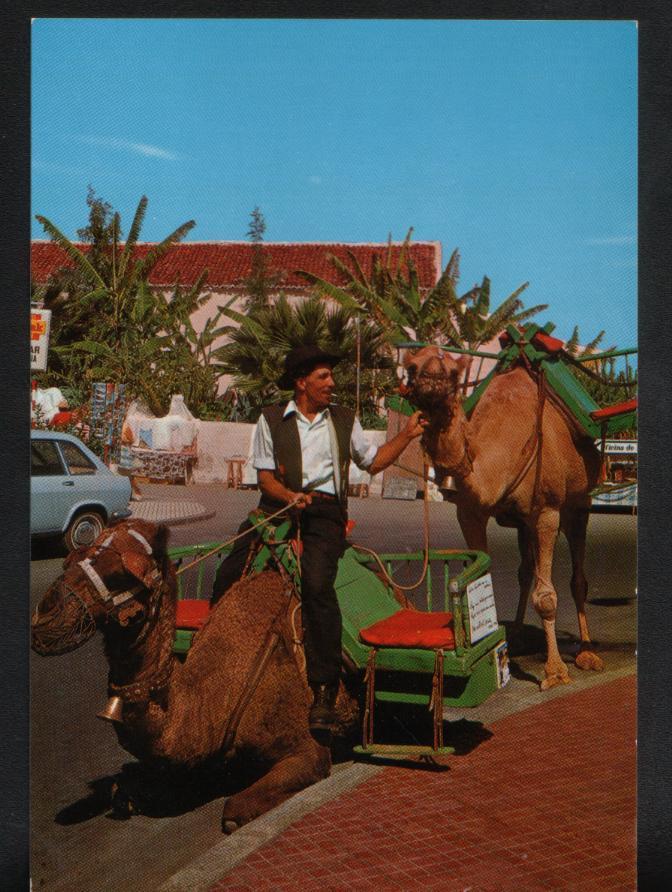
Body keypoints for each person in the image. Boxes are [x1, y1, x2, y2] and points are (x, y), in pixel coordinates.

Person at [211, 345, 427, 734]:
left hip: (324, 514)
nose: (332, 383)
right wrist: (289, 496)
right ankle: (212, 657)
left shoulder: (343, 419)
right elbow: (265, 480)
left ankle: (324, 688)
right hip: (276, 506)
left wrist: (408, 435)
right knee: (227, 570)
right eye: (323, 377)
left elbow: (373, 461)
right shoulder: (271, 420)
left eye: (331, 376)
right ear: (301, 383)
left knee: (316, 585)